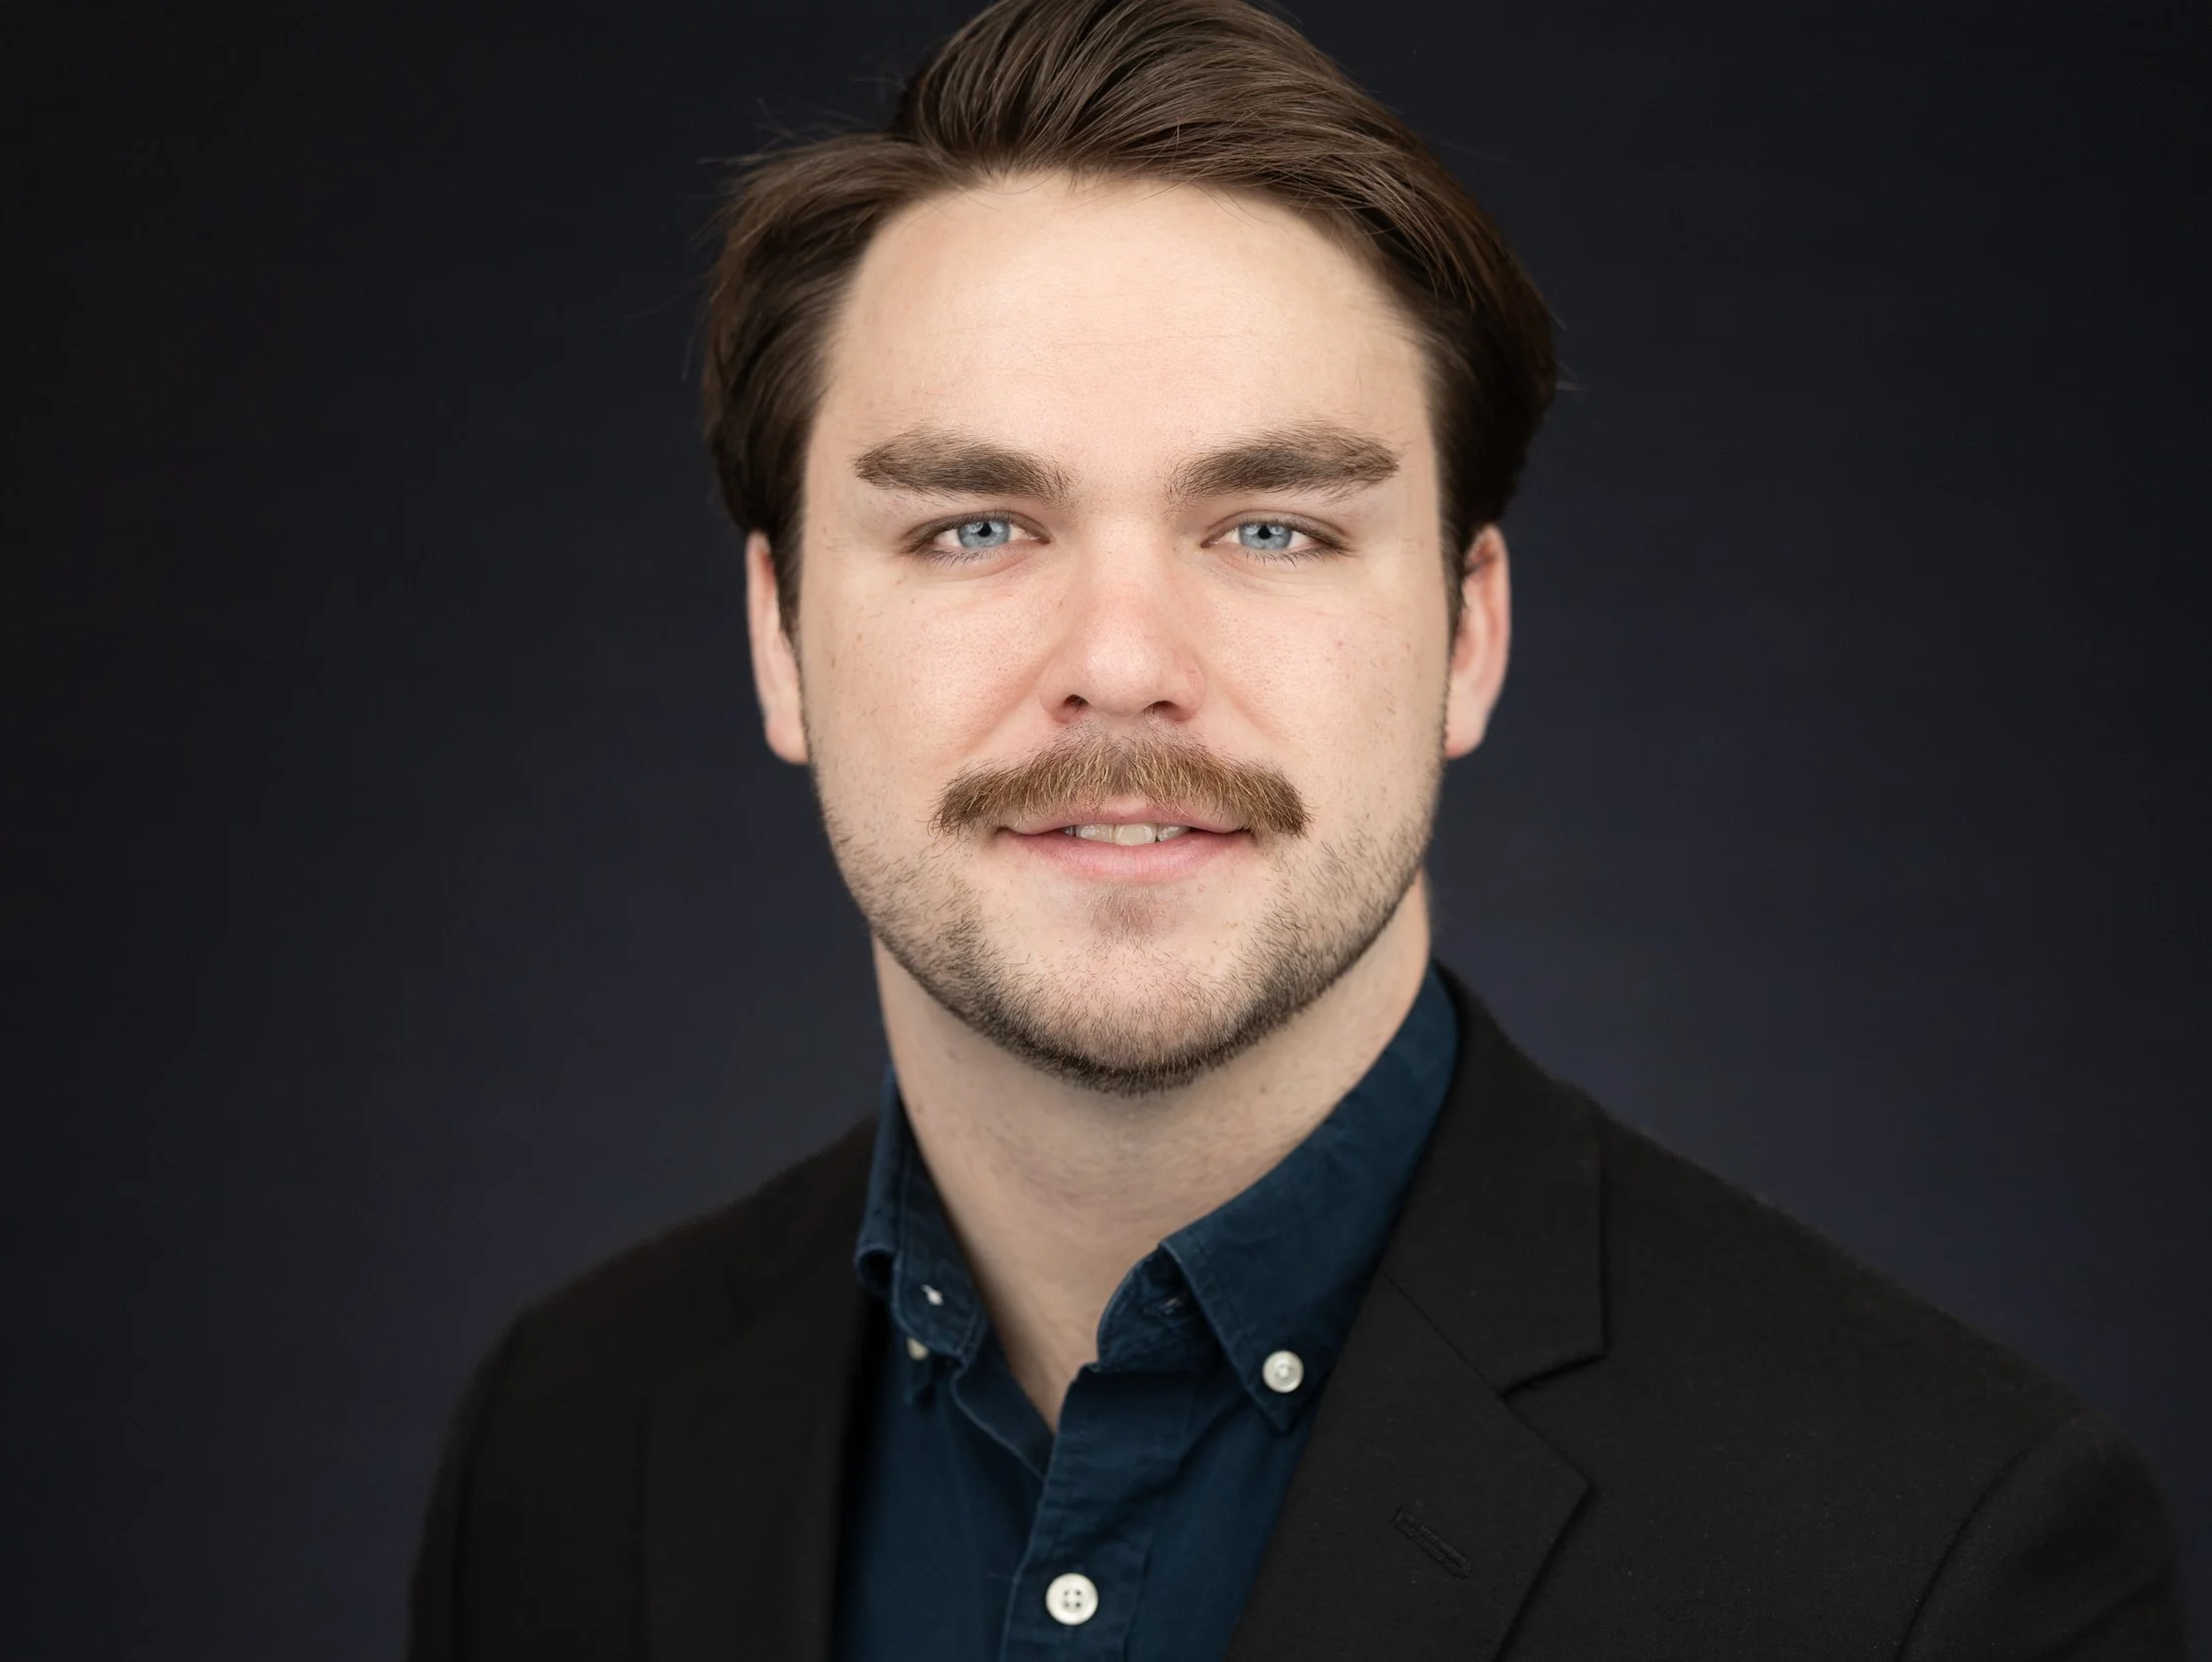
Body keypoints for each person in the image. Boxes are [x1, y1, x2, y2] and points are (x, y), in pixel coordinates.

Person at [408, 1, 2185, 1656]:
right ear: (777, 638)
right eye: (974, 527)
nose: (1121, 665)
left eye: (1271, 528)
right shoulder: (564, 1444)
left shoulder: (1943, 1560)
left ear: (1469, 636)